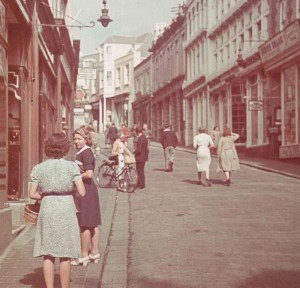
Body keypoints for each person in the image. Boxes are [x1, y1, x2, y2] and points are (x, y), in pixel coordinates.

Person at [28, 133, 86, 288]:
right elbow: (82, 192)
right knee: (65, 252)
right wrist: (70, 190)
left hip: (47, 207)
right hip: (66, 206)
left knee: (48, 252)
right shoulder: (71, 166)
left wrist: (45, 194)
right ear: (65, 148)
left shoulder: (39, 168)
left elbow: (32, 194)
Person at [71, 127, 101, 266]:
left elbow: (89, 173)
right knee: (92, 222)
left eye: (79, 139)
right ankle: (94, 252)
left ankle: (84, 255)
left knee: (84, 224)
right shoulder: (84, 151)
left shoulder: (86, 152)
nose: (76, 141)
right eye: (75, 139)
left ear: (85, 139)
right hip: (88, 190)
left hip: (86, 190)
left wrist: (74, 177)